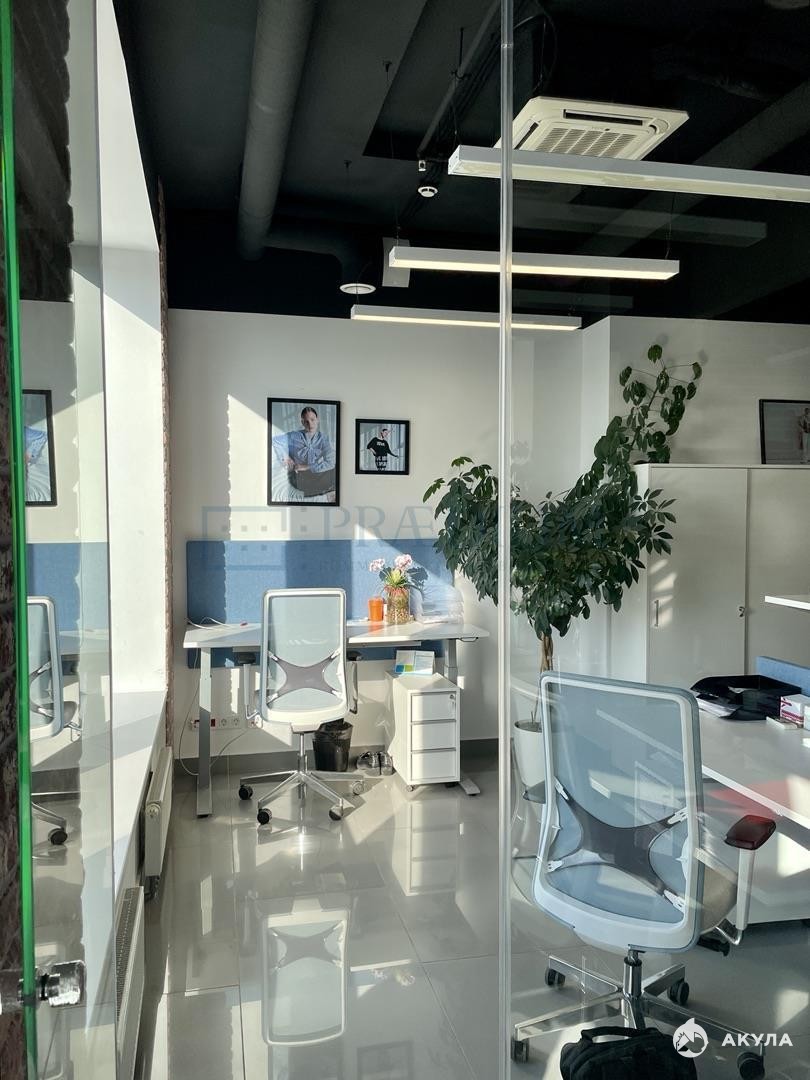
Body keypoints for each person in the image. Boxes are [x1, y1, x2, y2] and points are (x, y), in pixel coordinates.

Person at [272, 405, 336, 499]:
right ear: (302, 422)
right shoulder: (294, 436)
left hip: (315, 471)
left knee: (335, 469)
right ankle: (319, 493)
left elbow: (331, 462)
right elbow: (275, 441)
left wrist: (307, 467)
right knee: (301, 482)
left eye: (312, 420)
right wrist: (285, 456)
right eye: (306, 421)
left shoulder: (323, 439)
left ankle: (325, 493)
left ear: (317, 420)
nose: (310, 424)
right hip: (300, 476)